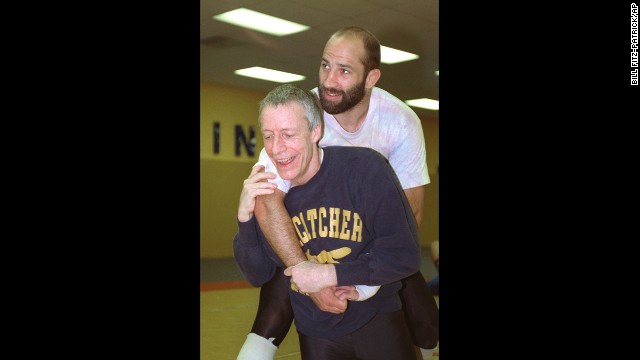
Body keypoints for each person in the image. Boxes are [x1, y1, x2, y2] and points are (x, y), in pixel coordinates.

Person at [236, 26, 439, 360]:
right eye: (325, 65)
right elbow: (268, 201)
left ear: (371, 77)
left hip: (370, 247)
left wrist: (357, 281)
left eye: (344, 71)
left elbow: (409, 217)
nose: (329, 80)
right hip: (307, 240)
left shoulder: (400, 122)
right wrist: (310, 274)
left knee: (427, 326)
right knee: (270, 315)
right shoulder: (298, 116)